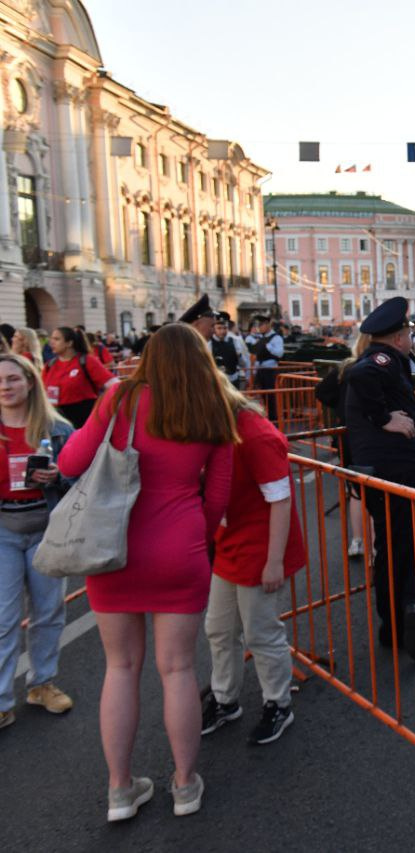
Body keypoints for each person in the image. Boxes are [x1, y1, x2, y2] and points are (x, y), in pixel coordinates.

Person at [58, 323, 236, 821]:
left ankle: (120, 789)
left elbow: (72, 461)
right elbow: (217, 497)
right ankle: (184, 786)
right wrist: (188, 537)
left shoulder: (119, 400)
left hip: (113, 547)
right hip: (180, 547)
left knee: (121, 668)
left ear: (148, 357)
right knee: (177, 669)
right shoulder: (214, 408)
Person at [201, 379, 307, 745]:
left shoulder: (254, 432)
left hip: (260, 547)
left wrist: (274, 561)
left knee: (260, 631)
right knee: (218, 626)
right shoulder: (211, 429)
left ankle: (278, 703)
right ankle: (224, 697)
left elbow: (280, 498)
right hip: (231, 542)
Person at [344, 297, 415, 656]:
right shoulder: (380, 361)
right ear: (399, 336)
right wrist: (383, 420)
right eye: (408, 333)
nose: (412, 339)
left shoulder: (394, 363)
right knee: (403, 551)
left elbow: (407, 410)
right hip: (395, 475)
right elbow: (360, 375)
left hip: (398, 474)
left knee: (398, 549)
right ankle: (403, 628)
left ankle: (399, 627)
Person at [0, 354, 75, 732]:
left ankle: (41, 683)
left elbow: (82, 477)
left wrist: (59, 476)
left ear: (30, 382)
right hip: (3, 531)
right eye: (0, 381)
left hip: (47, 529)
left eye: (13, 379)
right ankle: (0, 700)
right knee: (3, 618)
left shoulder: (58, 429)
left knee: (48, 611)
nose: (5, 386)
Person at [314, 332, 371, 558]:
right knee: (373, 491)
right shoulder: (369, 369)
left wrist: (339, 407)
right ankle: (374, 548)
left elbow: (321, 392)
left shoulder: (345, 368)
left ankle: (358, 541)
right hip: (366, 436)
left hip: (346, 435)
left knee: (355, 490)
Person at [42, 326, 118, 428]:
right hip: (57, 418)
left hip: (83, 418)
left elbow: (114, 385)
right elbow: (41, 391)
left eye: (57, 339)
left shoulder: (87, 361)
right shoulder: (50, 365)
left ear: (69, 343)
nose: (51, 342)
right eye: (52, 338)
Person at [250, 315, 284, 421]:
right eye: (258, 325)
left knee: (271, 396)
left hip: (270, 370)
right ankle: (267, 416)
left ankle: (274, 418)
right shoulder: (261, 337)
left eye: (261, 324)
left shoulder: (276, 338)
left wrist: (268, 346)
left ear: (268, 324)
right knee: (262, 396)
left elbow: (279, 354)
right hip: (261, 369)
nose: (259, 327)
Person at [210, 315, 248, 388]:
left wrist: (239, 356)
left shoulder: (234, 341)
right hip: (217, 382)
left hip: (233, 380)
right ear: (214, 329)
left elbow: (243, 364)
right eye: (219, 328)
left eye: (225, 328)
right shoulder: (209, 343)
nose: (222, 331)